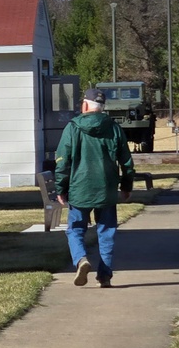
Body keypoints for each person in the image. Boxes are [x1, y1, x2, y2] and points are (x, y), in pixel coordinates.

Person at [55, 87, 136, 288]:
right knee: (107, 232)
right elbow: (126, 161)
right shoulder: (114, 128)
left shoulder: (72, 128)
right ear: (102, 107)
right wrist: (126, 185)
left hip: (79, 188)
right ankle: (105, 275)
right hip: (106, 189)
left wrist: (61, 188)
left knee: (75, 230)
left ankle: (81, 259)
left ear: (84, 105)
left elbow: (62, 162)